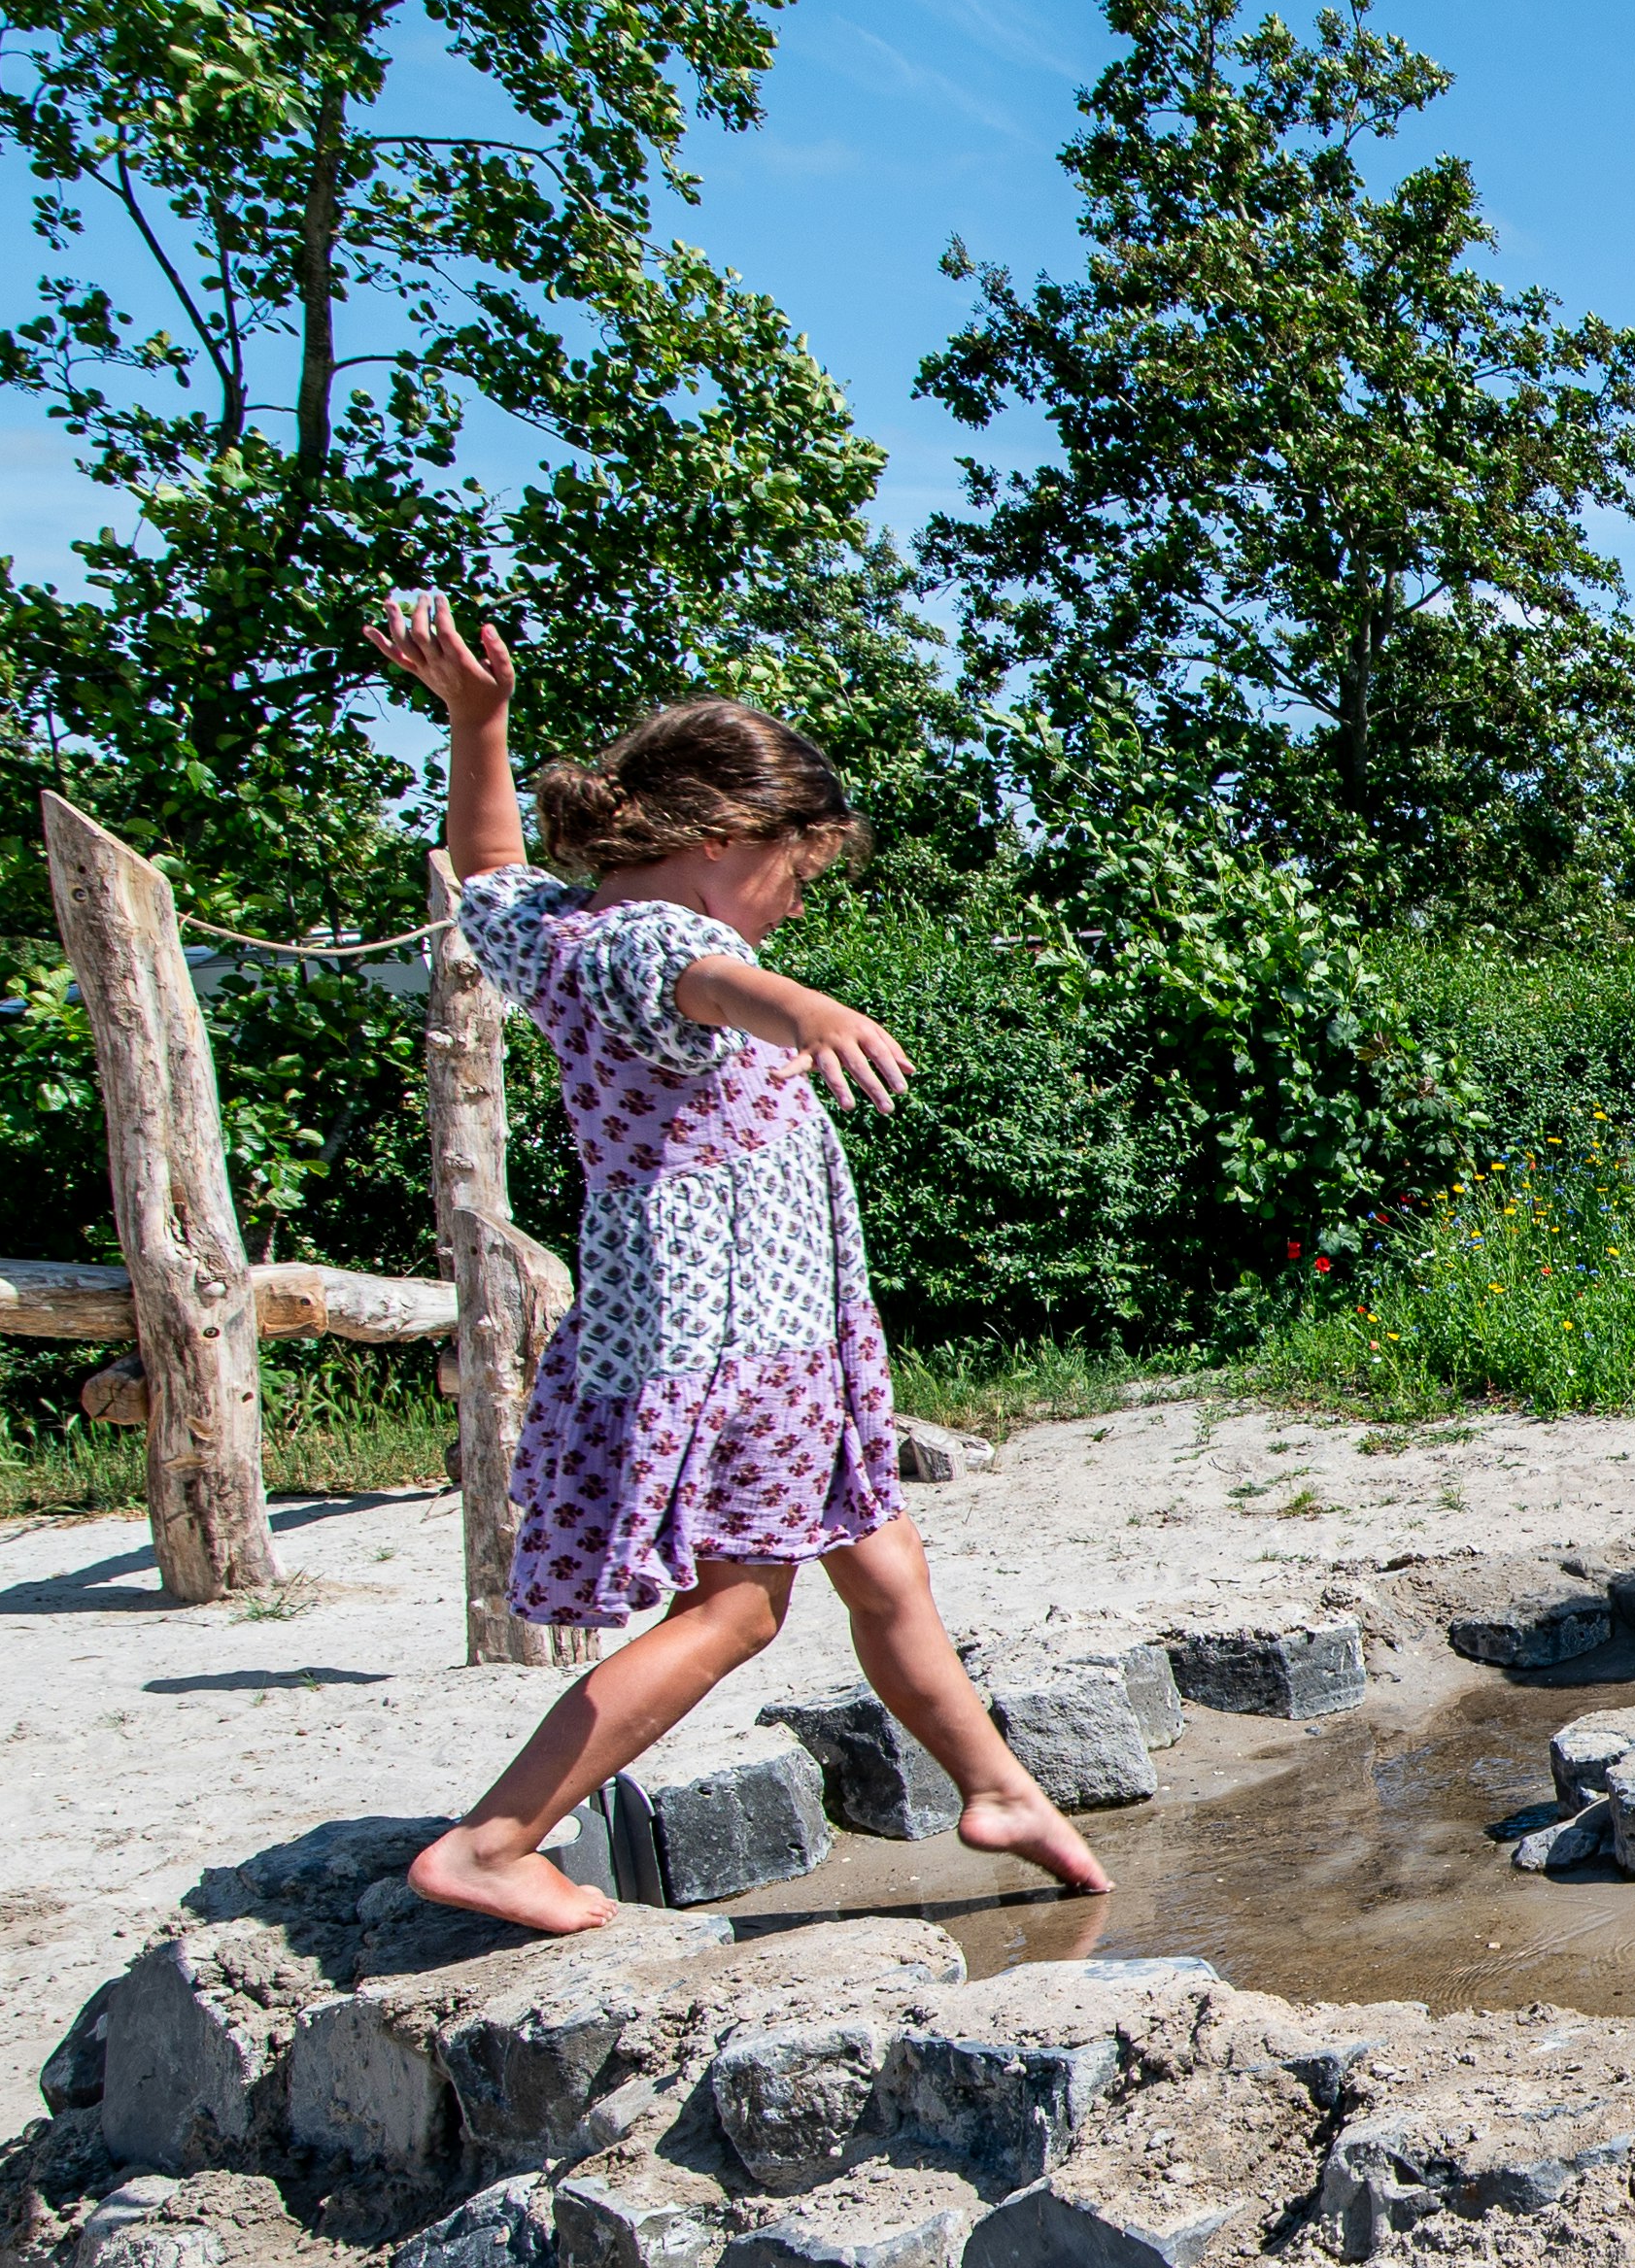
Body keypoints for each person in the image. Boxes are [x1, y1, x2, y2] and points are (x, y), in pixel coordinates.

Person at [363, 592, 1107, 1934]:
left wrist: (481, 725)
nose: (793, 905)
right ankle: (496, 1836)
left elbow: (485, 875)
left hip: (746, 1334)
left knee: (885, 1570)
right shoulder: (661, 942)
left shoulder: (560, 933)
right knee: (741, 1608)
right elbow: (708, 976)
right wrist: (806, 1007)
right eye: (797, 873)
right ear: (721, 840)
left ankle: (995, 1788)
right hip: (737, 1339)